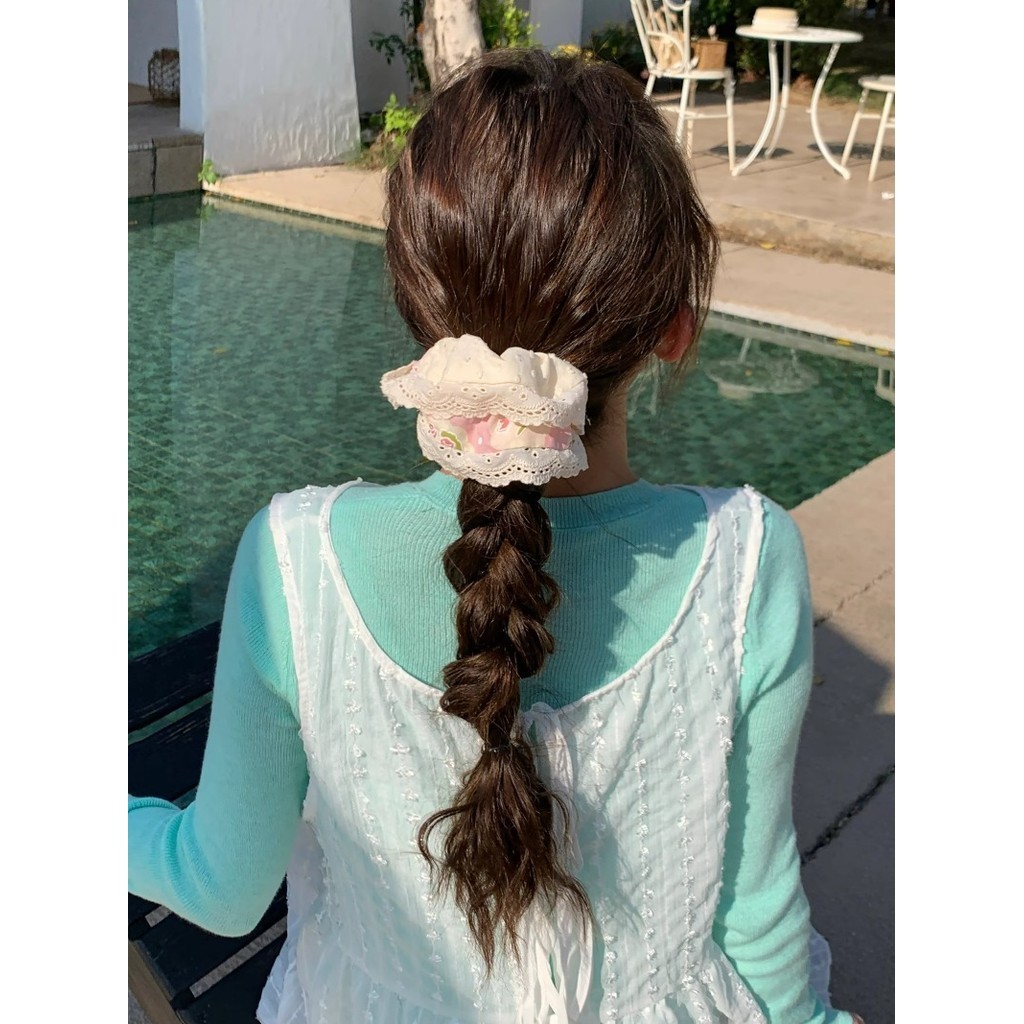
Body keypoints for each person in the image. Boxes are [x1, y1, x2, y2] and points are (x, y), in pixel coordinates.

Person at [128, 49, 865, 1024]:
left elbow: (221, 886)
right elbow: (758, 923)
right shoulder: (749, 560)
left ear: (416, 314)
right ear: (674, 330)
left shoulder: (297, 563)